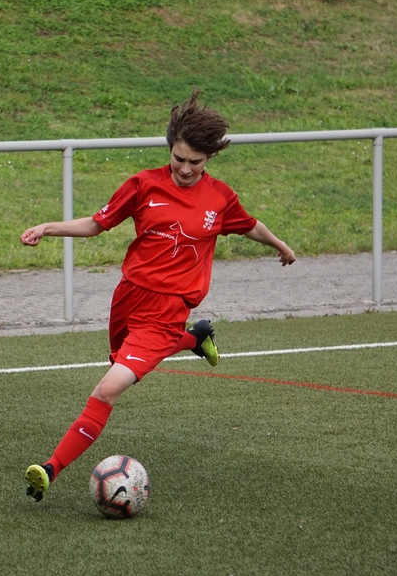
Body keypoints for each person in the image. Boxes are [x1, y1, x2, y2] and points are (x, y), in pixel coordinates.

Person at [20, 88, 296, 502]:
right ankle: (195, 338)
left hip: (168, 309)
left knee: (106, 389)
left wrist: (280, 245)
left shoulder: (220, 198)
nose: (184, 168)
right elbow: (97, 224)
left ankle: (48, 470)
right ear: (170, 149)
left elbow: (250, 225)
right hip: (128, 298)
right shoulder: (144, 184)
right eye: (178, 158)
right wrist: (48, 227)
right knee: (119, 361)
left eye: (195, 162)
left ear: (210, 158)